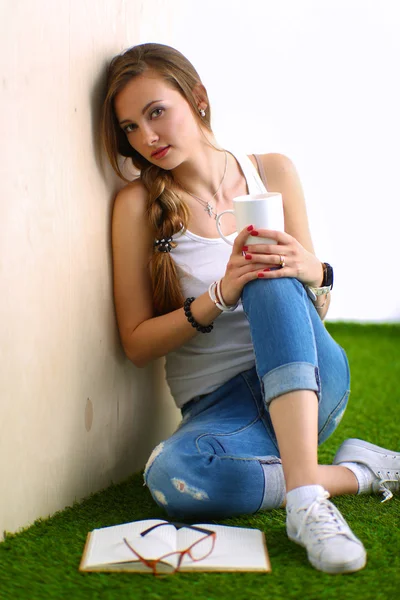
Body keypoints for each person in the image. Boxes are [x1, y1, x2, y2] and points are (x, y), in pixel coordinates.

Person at [100, 42, 399, 574]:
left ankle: (305, 503)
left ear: (197, 99)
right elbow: (137, 342)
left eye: (156, 113)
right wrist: (220, 295)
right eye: (129, 128)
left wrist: (313, 270)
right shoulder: (136, 205)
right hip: (222, 411)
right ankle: (354, 474)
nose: (146, 137)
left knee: (267, 267)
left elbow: (315, 310)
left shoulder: (273, 172)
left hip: (311, 380)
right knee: (173, 476)